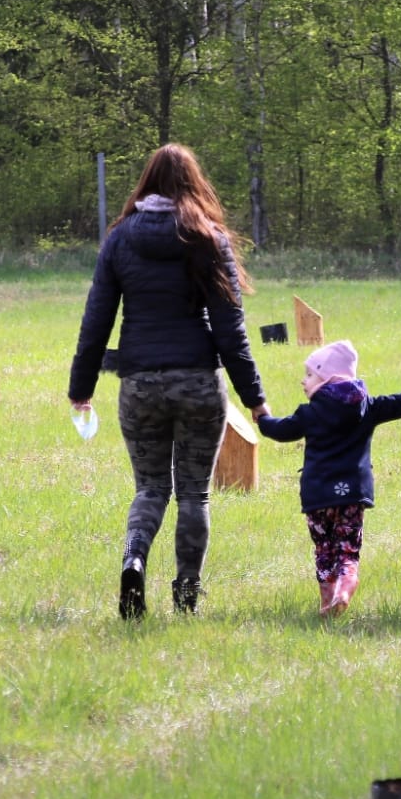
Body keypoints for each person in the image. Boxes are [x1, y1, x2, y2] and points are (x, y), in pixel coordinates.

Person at [68, 143, 269, 620]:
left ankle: (134, 558)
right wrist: (255, 399)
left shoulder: (119, 239)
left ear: (146, 182)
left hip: (139, 385)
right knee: (194, 492)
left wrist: (81, 387)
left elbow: (96, 319)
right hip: (198, 383)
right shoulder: (207, 237)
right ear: (194, 184)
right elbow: (229, 330)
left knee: (151, 487)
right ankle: (186, 594)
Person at [255, 340, 401, 616]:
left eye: (310, 375)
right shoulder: (367, 407)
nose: (303, 381)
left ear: (328, 378)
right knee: (347, 550)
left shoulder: (308, 413)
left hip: (318, 496)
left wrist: (262, 419)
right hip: (352, 495)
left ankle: (326, 601)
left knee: (324, 548)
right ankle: (345, 586)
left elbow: (281, 431)